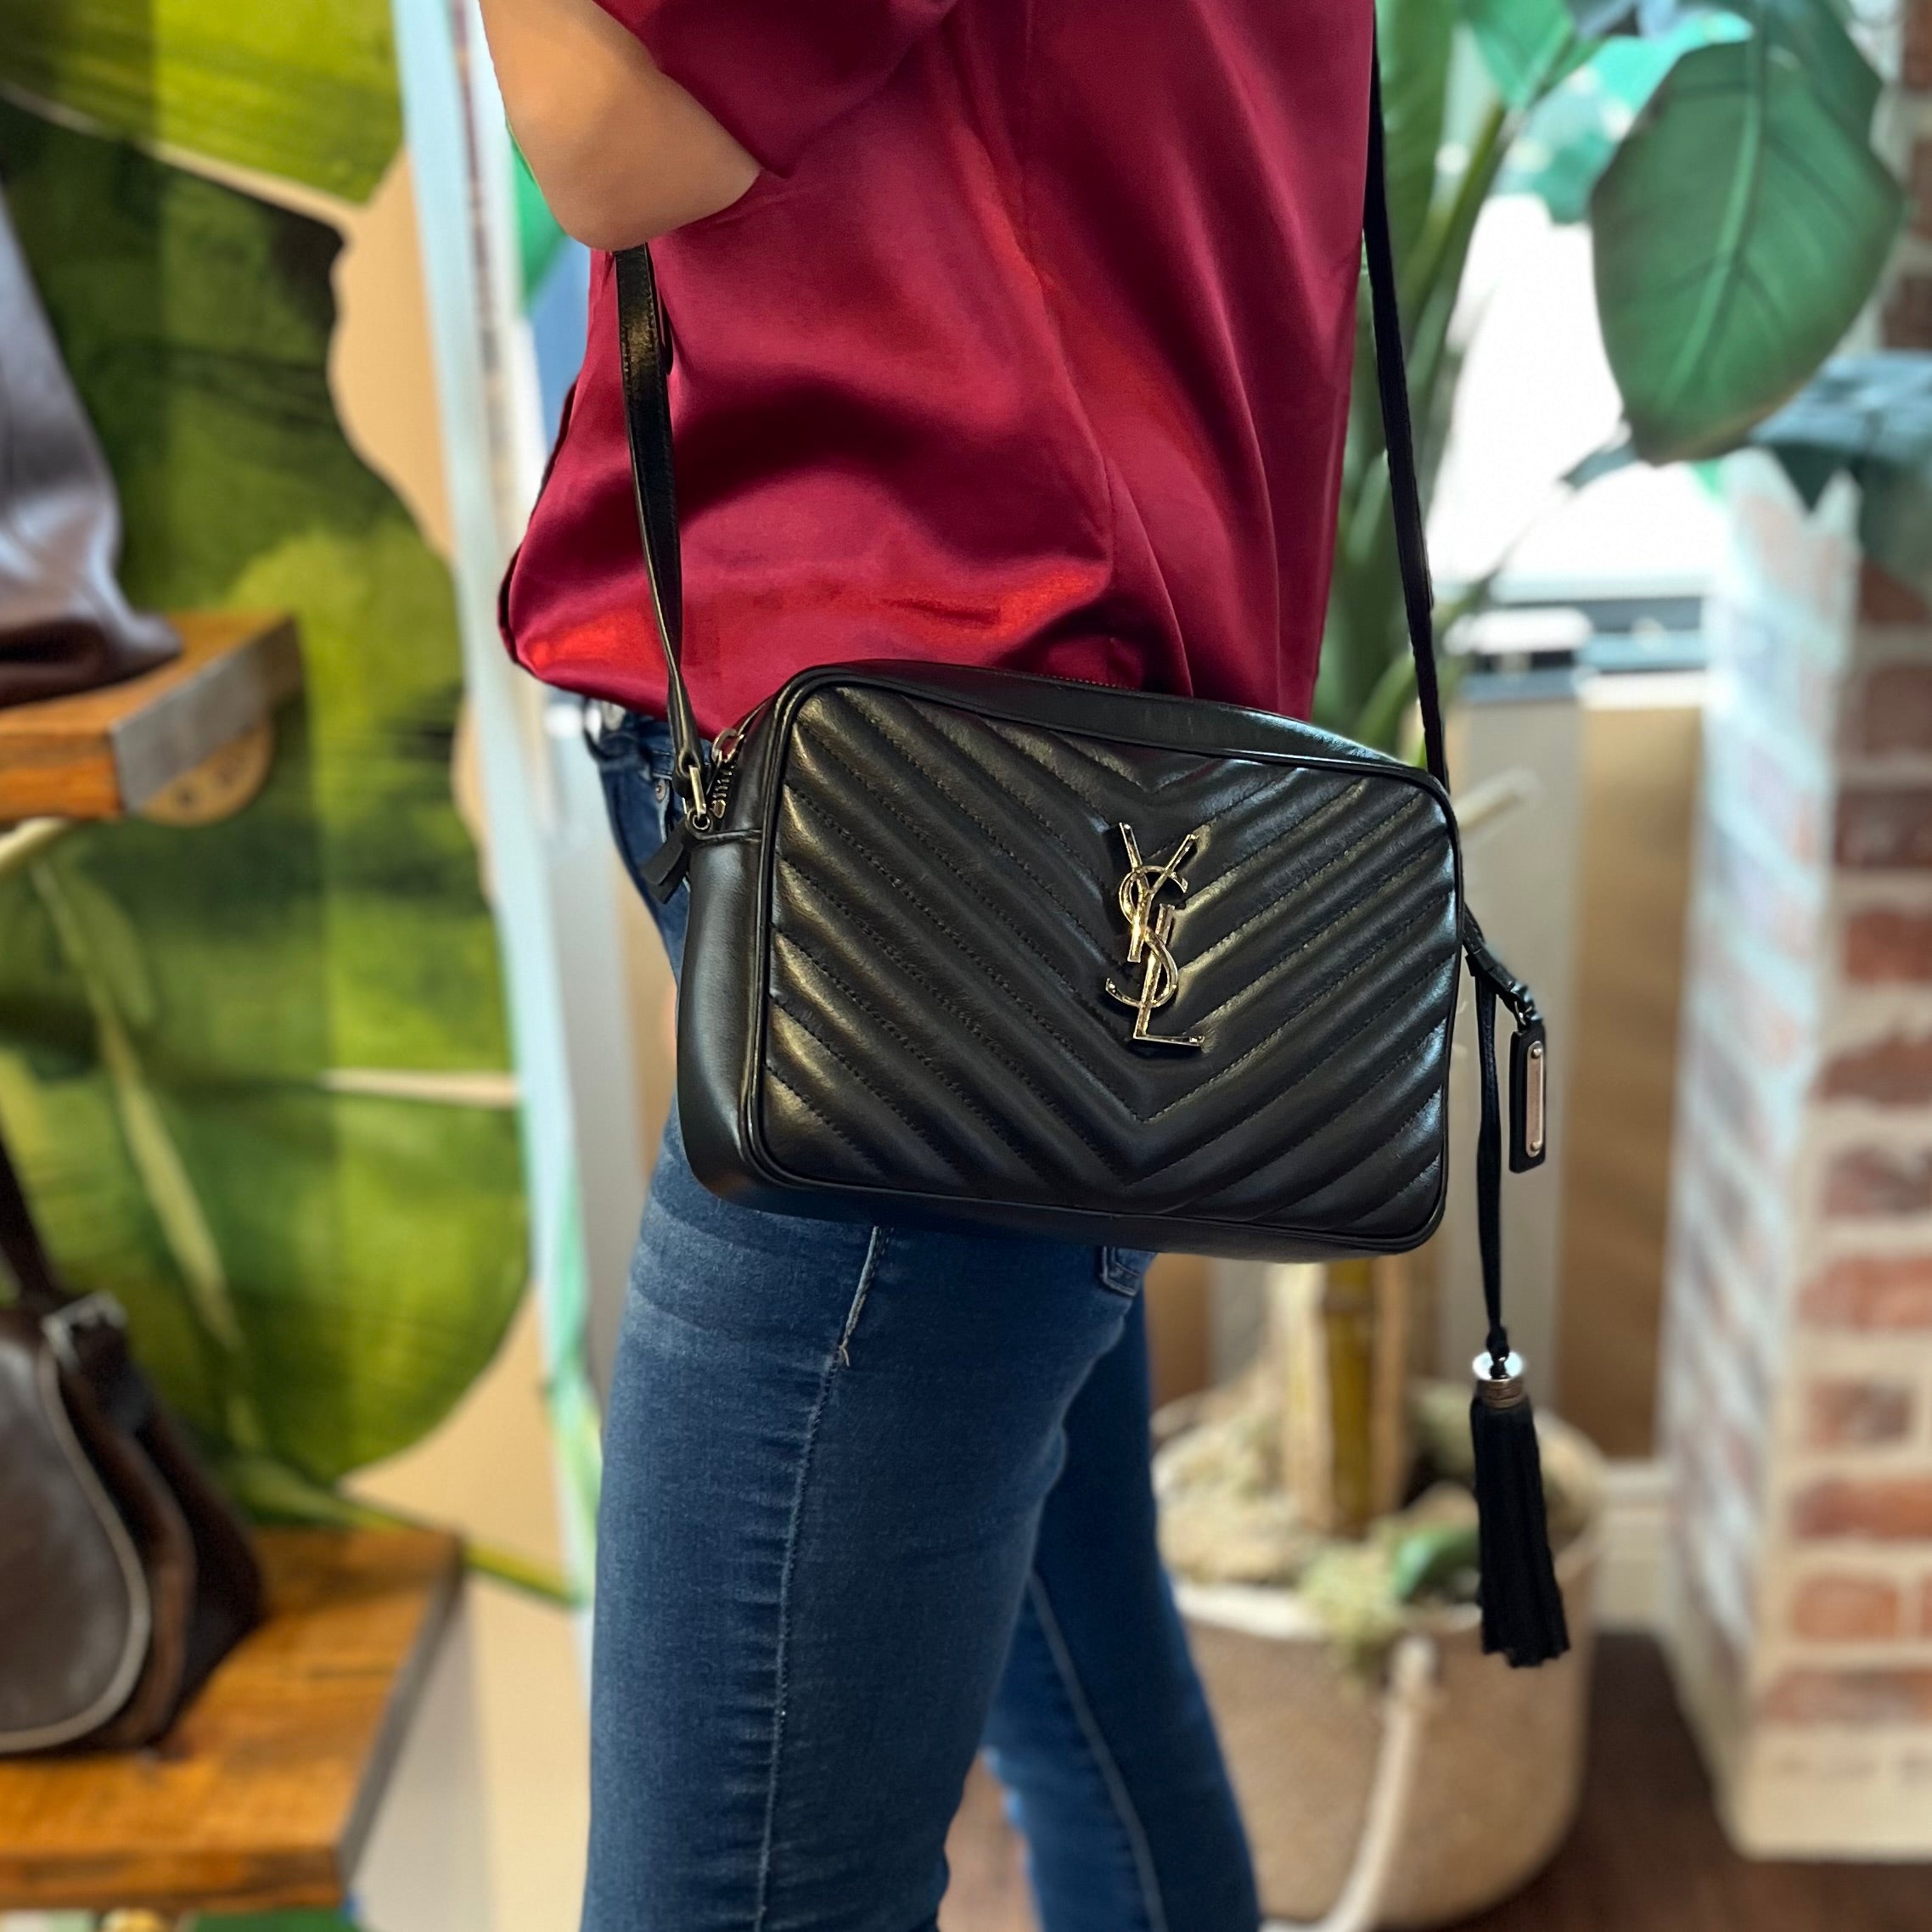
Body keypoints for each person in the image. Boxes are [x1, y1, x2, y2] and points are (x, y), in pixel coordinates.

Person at [482, 2, 1377, 1926]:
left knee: (731, 1892)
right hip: (1012, 810)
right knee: (1093, 1699)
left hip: (922, 860)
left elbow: (613, 137)